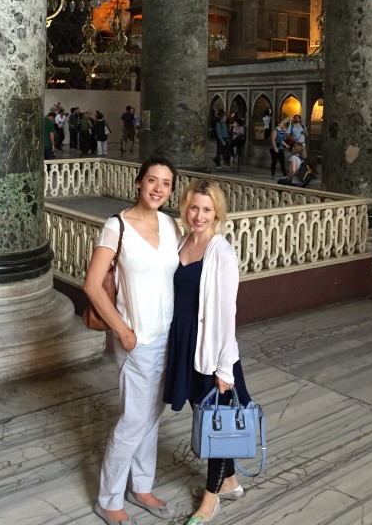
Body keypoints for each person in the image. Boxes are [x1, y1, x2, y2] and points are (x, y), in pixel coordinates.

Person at [84, 157, 181, 525]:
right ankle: (109, 498)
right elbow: (93, 286)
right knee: (133, 419)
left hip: (167, 336)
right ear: (138, 183)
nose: (158, 188)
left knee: (152, 415)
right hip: (136, 339)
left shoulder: (171, 225)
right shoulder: (117, 226)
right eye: (152, 180)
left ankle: (141, 486)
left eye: (166, 183)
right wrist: (123, 331)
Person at [163, 179, 252, 525]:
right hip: (183, 342)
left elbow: (228, 314)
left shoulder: (221, 252)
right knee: (204, 414)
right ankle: (229, 482)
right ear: (186, 208)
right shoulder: (183, 240)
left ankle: (210, 501)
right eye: (194, 207)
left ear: (217, 212)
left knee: (217, 422)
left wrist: (225, 369)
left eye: (206, 209)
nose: (199, 215)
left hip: (211, 349)